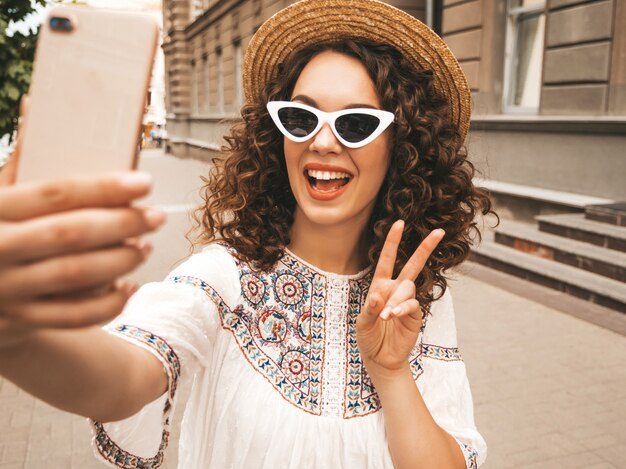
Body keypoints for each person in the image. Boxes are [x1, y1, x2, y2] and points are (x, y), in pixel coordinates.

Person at [0, 0, 498, 468]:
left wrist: (391, 373)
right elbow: (121, 379)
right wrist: (15, 332)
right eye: (301, 118)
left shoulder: (413, 302)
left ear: (402, 146)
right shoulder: (224, 276)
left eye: (356, 123)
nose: (322, 141)